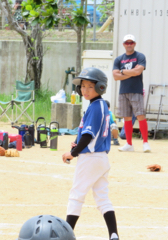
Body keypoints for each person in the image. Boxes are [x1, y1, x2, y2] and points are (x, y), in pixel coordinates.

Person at [62, 67, 119, 240]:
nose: (85, 90)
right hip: (101, 159)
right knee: (102, 198)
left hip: (90, 159)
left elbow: (88, 136)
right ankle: (114, 235)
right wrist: (78, 145)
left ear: (100, 87)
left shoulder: (95, 106)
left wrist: (73, 153)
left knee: (76, 195)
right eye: (83, 86)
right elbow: (91, 136)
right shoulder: (101, 105)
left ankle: (66, 234)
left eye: (90, 86)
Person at [112, 34, 151, 153]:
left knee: (140, 116)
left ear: (134, 44)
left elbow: (138, 71)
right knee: (127, 117)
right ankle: (129, 144)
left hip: (136, 90)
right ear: (123, 44)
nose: (129, 45)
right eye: (127, 43)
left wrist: (123, 71)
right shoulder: (119, 59)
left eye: (131, 42)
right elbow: (115, 76)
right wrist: (131, 72)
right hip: (123, 91)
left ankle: (145, 143)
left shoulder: (140, 56)